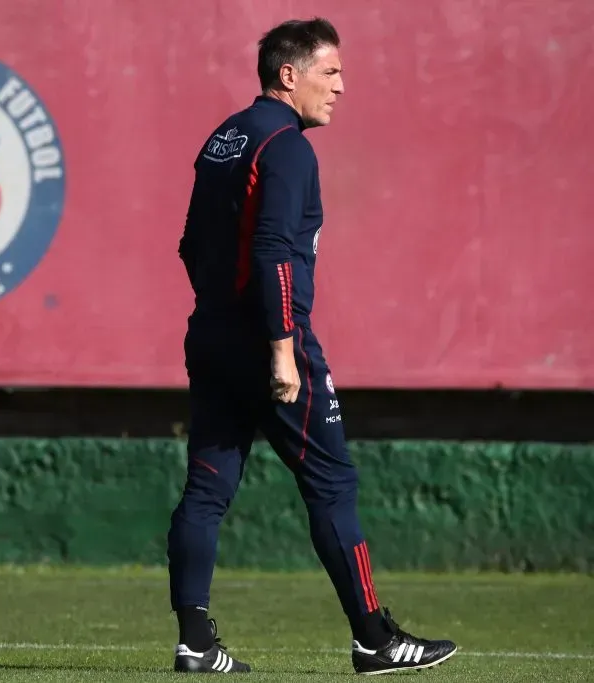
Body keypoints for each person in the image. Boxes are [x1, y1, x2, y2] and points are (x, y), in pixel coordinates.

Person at [167, 17, 458, 675]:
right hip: (269, 340)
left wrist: (220, 309)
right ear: (289, 74)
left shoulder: (226, 136)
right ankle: (374, 639)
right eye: (331, 72)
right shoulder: (287, 146)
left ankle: (195, 642)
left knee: (207, 489)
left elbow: (189, 244)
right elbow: (272, 248)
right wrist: (279, 345)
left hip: (210, 333)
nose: (342, 87)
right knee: (332, 482)